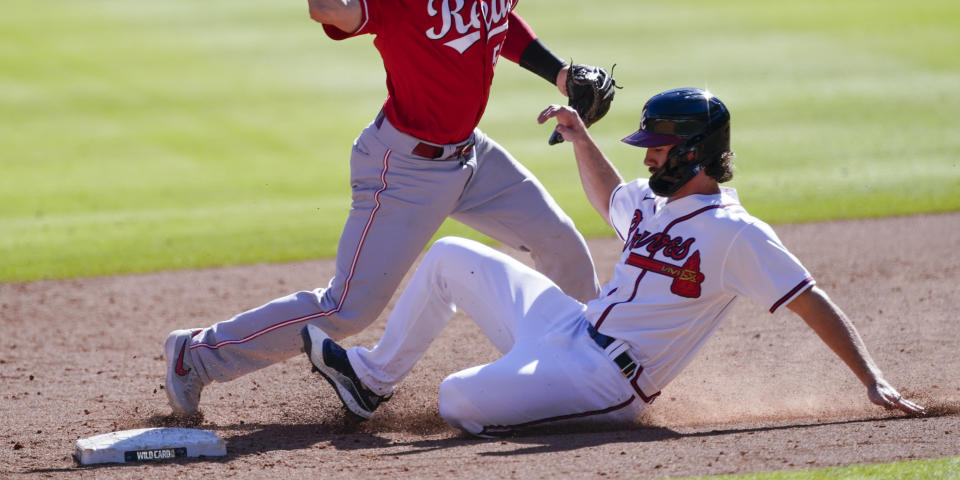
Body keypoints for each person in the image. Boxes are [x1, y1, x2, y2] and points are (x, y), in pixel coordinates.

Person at [161, 0, 603, 416]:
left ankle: (592, 369)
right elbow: (328, 6)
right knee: (347, 307)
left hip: (473, 155)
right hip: (405, 169)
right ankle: (196, 355)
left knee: (561, 243)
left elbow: (500, 19)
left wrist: (561, 73)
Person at [301, 88, 924, 435]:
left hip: (606, 382)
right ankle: (371, 380)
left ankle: (527, 388)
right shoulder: (657, 207)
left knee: (456, 397)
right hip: (568, 327)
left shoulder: (736, 235)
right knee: (448, 257)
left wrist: (871, 379)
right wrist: (580, 136)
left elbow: (809, 300)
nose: (648, 159)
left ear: (694, 152)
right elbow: (609, 198)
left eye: (657, 148)